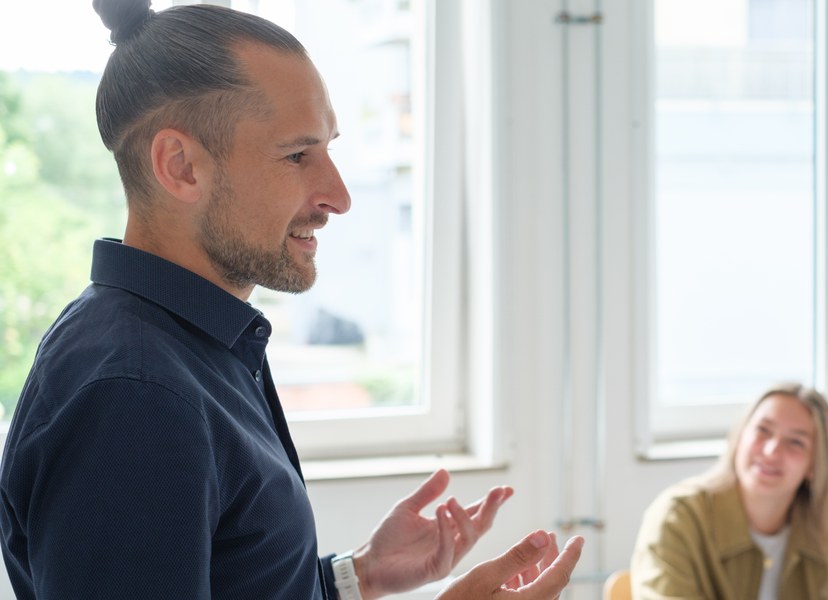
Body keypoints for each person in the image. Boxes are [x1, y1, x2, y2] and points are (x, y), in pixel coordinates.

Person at [0, 1, 583, 598]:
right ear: (180, 166)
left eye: (329, 148)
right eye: (297, 155)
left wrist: (356, 577)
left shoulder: (195, 345)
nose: (339, 196)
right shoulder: (136, 396)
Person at [630, 383, 828, 600]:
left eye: (795, 442)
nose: (771, 451)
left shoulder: (824, 538)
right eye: (763, 430)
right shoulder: (678, 517)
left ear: (814, 465)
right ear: (739, 439)